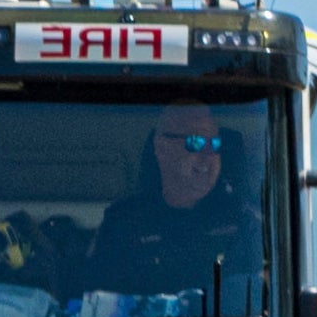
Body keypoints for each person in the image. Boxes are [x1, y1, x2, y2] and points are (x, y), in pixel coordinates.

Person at [87, 100, 264, 300]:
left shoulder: (243, 224)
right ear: (161, 148)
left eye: (214, 144)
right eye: (195, 142)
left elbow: (258, 304)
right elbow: (97, 305)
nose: (208, 155)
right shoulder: (122, 224)